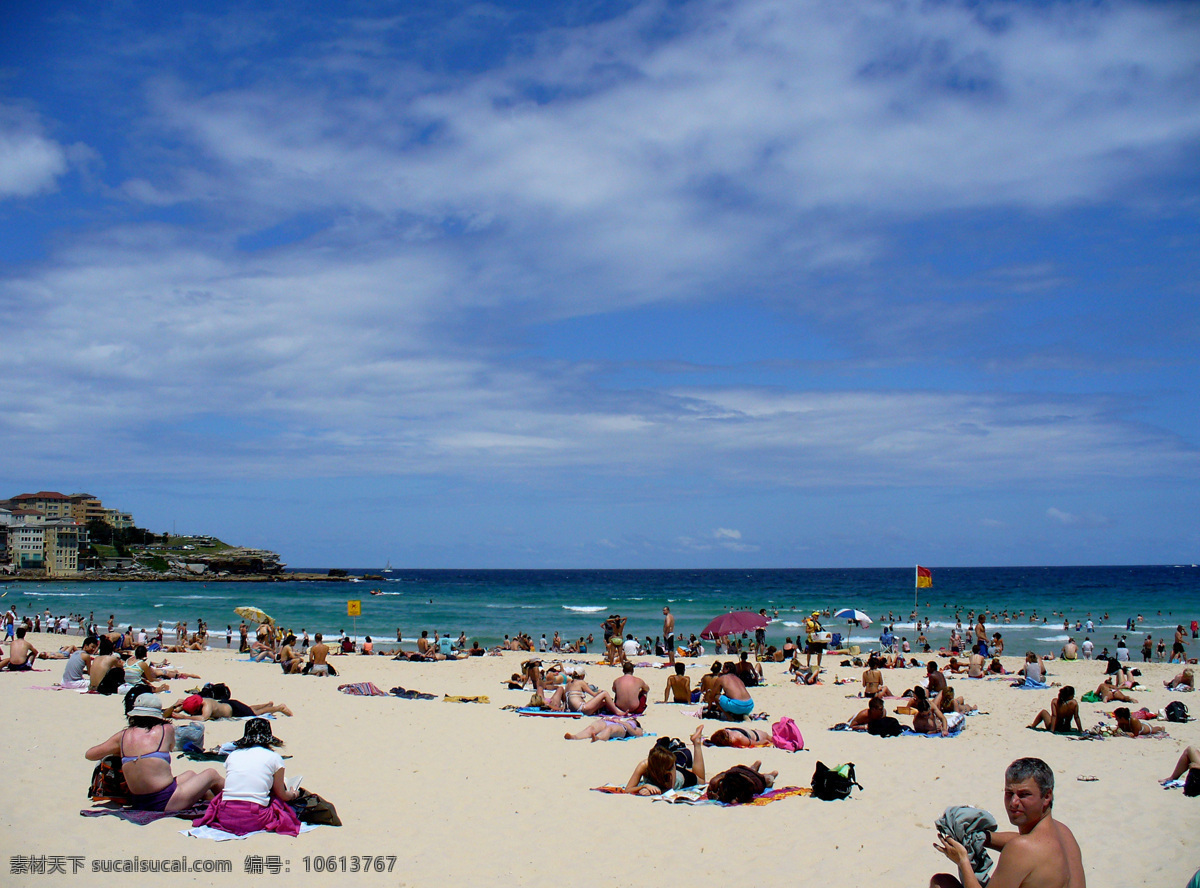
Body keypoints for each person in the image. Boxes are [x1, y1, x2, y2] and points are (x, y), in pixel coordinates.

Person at [931, 756, 1084, 888]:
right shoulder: (1063, 832)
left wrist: (962, 860)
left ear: (1047, 796)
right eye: (1009, 793)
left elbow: (1022, 847)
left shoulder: (1021, 849)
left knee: (940, 883)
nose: (1014, 802)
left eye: (1024, 795)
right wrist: (984, 837)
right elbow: (1022, 842)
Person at [85, 694, 224, 812]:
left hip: (139, 802)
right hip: (165, 800)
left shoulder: (122, 736)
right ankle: (238, 802)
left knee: (191, 775)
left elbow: (89, 754)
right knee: (211, 774)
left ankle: (213, 803)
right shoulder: (165, 730)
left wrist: (120, 751)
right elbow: (171, 747)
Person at [192, 718, 301, 835]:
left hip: (225, 815)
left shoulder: (233, 755)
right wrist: (293, 794)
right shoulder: (275, 758)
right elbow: (282, 795)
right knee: (276, 800)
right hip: (254, 818)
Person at [624, 728, 706, 795]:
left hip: (680, 778)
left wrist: (652, 791)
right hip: (668, 771)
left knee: (701, 780)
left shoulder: (671, 765)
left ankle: (697, 743)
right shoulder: (644, 765)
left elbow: (670, 789)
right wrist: (644, 786)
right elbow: (628, 789)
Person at [167, 693, 293, 721]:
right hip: (229, 705)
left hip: (232, 709)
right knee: (248, 708)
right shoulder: (193, 701)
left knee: (253, 713)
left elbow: (204, 718)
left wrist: (183, 717)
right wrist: (175, 706)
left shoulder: (206, 705)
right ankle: (267, 704)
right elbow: (180, 706)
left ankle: (278, 708)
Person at [706, 760, 778, 804]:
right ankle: (754, 768)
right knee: (756, 773)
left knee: (768, 780)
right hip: (739, 771)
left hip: (754, 779)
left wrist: (714, 795)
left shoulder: (746, 789)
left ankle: (771, 774)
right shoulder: (717, 782)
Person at [564, 716, 644, 742]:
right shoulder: (622, 719)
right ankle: (575, 737)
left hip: (622, 728)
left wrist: (623, 723)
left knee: (609, 729)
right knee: (591, 728)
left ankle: (598, 738)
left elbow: (638, 734)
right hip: (610, 722)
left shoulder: (634, 725)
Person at [708, 726, 772, 747]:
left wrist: (763, 742)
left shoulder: (737, 738)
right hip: (754, 732)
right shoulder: (726, 730)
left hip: (759, 736)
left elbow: (755, 743)